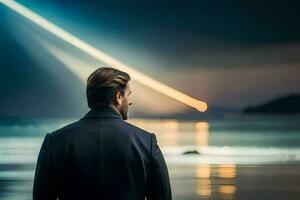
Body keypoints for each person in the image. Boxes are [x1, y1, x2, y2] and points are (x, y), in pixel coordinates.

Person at [33, 67, 172, 200]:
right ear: (118, 97)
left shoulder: (55, 141)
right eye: (128, 95)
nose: (130, 102)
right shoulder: (146, 142)